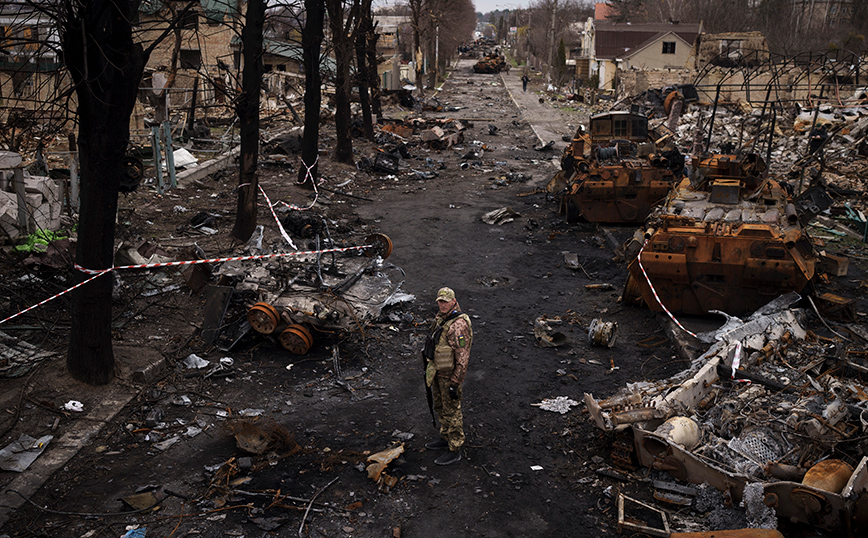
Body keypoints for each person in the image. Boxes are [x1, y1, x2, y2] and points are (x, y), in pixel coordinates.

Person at [423, 287, 473, 465]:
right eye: (440, 301)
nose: (442, 304)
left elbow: (462, 357)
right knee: (441, 406)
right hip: (437, 372)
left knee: (452, 410)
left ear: (454, 301)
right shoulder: (441, 318)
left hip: (449, 376)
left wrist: (455, 382)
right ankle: (445, 437)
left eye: (445, 301)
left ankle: (455, 447)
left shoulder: (459, 325)